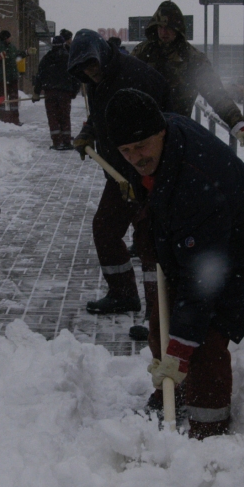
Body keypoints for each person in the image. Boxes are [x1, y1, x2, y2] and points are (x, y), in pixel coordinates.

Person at [105, 89, 244, 439]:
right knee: (163, 320)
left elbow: (201, 284)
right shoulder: (163, 138)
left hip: (242, 244)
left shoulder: (197, 180)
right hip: (199, 236)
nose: (136, 158)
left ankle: (209, 425)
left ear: (160, 133)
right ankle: (171, 392)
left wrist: (183, 347)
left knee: (205, 338)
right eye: (126, 151)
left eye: (141, 147)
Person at [67, 29, 171, 315]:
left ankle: (158, 312)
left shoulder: (132, 78)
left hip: (148, 171)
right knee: (105, 228)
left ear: (101, 55)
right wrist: (88, 132)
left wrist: (141, 179)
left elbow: (149, 128)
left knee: (148, 239)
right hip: (119, 174)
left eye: (91, 65)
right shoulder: (98, 79)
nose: (89, 73)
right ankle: (123, 294)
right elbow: (101, 114)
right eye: (82, 70)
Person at [132, 1, 244, 143]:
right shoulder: (143, 53)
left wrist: (237, 123)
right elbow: (123, 83)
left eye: (168, 27)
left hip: (175, 132)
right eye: (160, 26)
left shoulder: (192, 58)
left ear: (178, 29)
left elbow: (215, 93)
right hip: (142, 132)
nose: (163, 32)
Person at [32, 35, 80, 150]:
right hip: (65, 92)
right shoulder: (68, 58)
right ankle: (67, 141)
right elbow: (75, 76)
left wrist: (36, 92)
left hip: (50, 92)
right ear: (63, 45)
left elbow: (40, 76)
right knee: (64, 116)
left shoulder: (47, 58)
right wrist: (74, 91)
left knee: (53, 116)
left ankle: (57, 142)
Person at [0, 30, 23, 125]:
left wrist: (26, 52)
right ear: (5, 38)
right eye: (9, 37)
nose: (10, 39)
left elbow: (18, 55)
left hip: (13, 76)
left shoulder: (12, 47)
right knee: (3, 97)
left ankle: (15, 119)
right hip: (3, 77)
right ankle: (1, 119)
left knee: (14, 98)